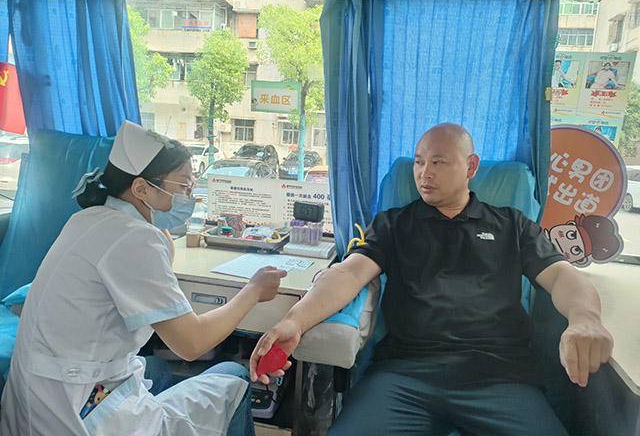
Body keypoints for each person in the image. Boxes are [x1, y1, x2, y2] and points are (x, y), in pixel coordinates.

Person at [250, 123, 614, 436]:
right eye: (419, 161)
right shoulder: (394, 224)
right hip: (404, 374)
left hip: (500, 377)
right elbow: (348, 273)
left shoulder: (511, 225)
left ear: (471, 167)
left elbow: (562, 276)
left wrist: (585, 319)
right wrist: (295, 321)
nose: (424, 173)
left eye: (438, 162)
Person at [1, 121, 289, 436]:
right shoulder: (137, 238)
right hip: (75, 408)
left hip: (39, 395)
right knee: (234, 377)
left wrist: (163, 257)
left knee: (158, 370)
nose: (188, 197)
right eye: (183, 186)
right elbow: (192, 343)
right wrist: (253, 290)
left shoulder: (86, 219)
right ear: (141, 189)